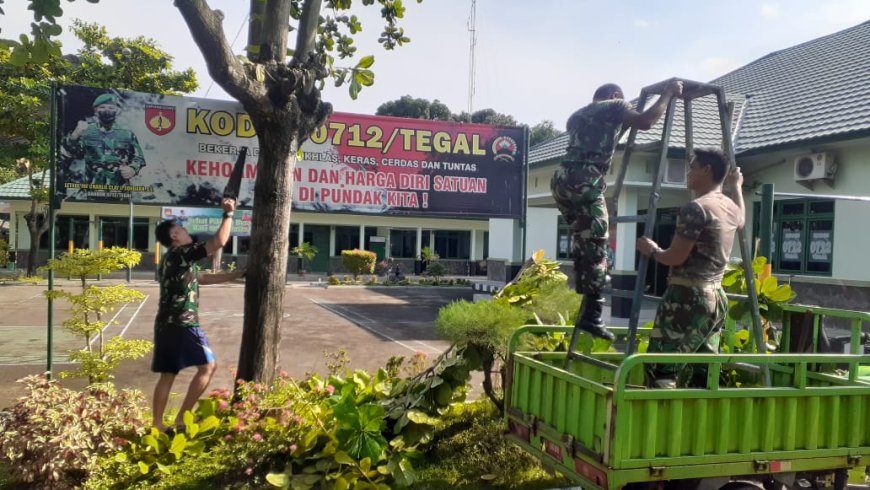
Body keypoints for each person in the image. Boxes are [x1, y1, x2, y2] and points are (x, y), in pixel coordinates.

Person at [551, 80, 683, 341]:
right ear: (613, 95)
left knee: (585, 240)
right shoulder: (616, 104)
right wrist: (668, 95)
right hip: (585, 182)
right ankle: (593, 315)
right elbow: (645, 122)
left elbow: (608, 136)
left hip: (561, 181)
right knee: (598, 244)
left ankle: (588, 306)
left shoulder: (576, 116)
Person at [635, 148, 745, 387]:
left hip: (687, 298)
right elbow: (742, 217)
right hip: (716, 297)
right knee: (703, 372)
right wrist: (736, 186)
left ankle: (660, 422)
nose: (688, 173)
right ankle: (699, 423)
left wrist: (652, 249)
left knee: (660, 369)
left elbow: (675, 257)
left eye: (692, 168)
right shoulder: (729, 208)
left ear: (706, 170)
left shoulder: (696, 208)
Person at [151, 197, 245, 432]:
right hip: (183, 323)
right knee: (208, 367)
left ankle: (157, 425)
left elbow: (203, 278)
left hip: (165, 325)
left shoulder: (169, 260)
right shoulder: (182, 253)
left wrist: (239, 274)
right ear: (174, 237)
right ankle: (182, 418)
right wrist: (229, 214)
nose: (186, 232)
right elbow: (219, 241)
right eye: (181, 229)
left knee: (168, 374)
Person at [64, 93, 146, 186]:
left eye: (111, 108)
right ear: (95, 110)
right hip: (91, 188)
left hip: (120, 190)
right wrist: (75, 135)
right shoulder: (86, 130)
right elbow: (71, 153)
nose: (107, 111)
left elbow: (139, 157)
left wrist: (132, 169)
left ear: (117, 110)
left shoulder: (126, 133)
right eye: (102, 107)